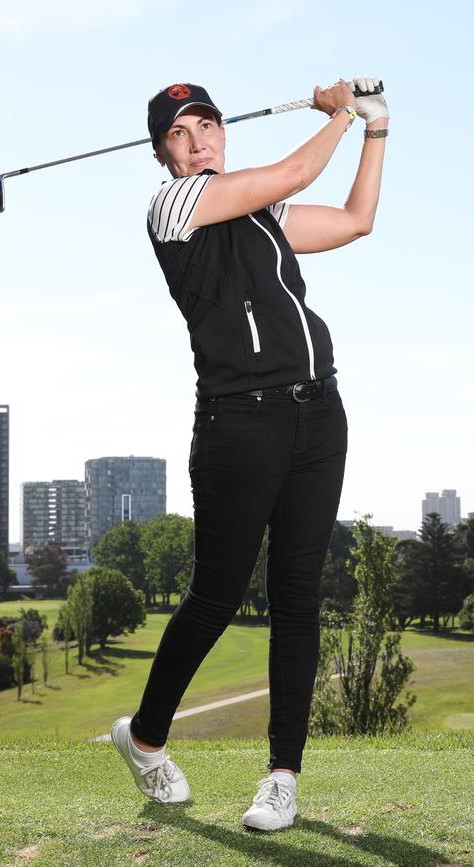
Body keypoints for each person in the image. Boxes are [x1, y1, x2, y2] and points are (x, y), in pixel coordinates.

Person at [111, 77, 389, 832]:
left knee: (299, 596)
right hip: (239, 424)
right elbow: (297, 171)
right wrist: (336, 111)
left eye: (208, 124)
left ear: (224, 132)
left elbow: (358, 220)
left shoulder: (259, 213)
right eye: (180, 132)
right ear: (164, 154)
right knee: (216, 594)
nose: (199, 139)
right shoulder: (171, 208)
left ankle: (282, 779)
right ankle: (143, 735)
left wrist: (375, 131)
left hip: (318, 417)